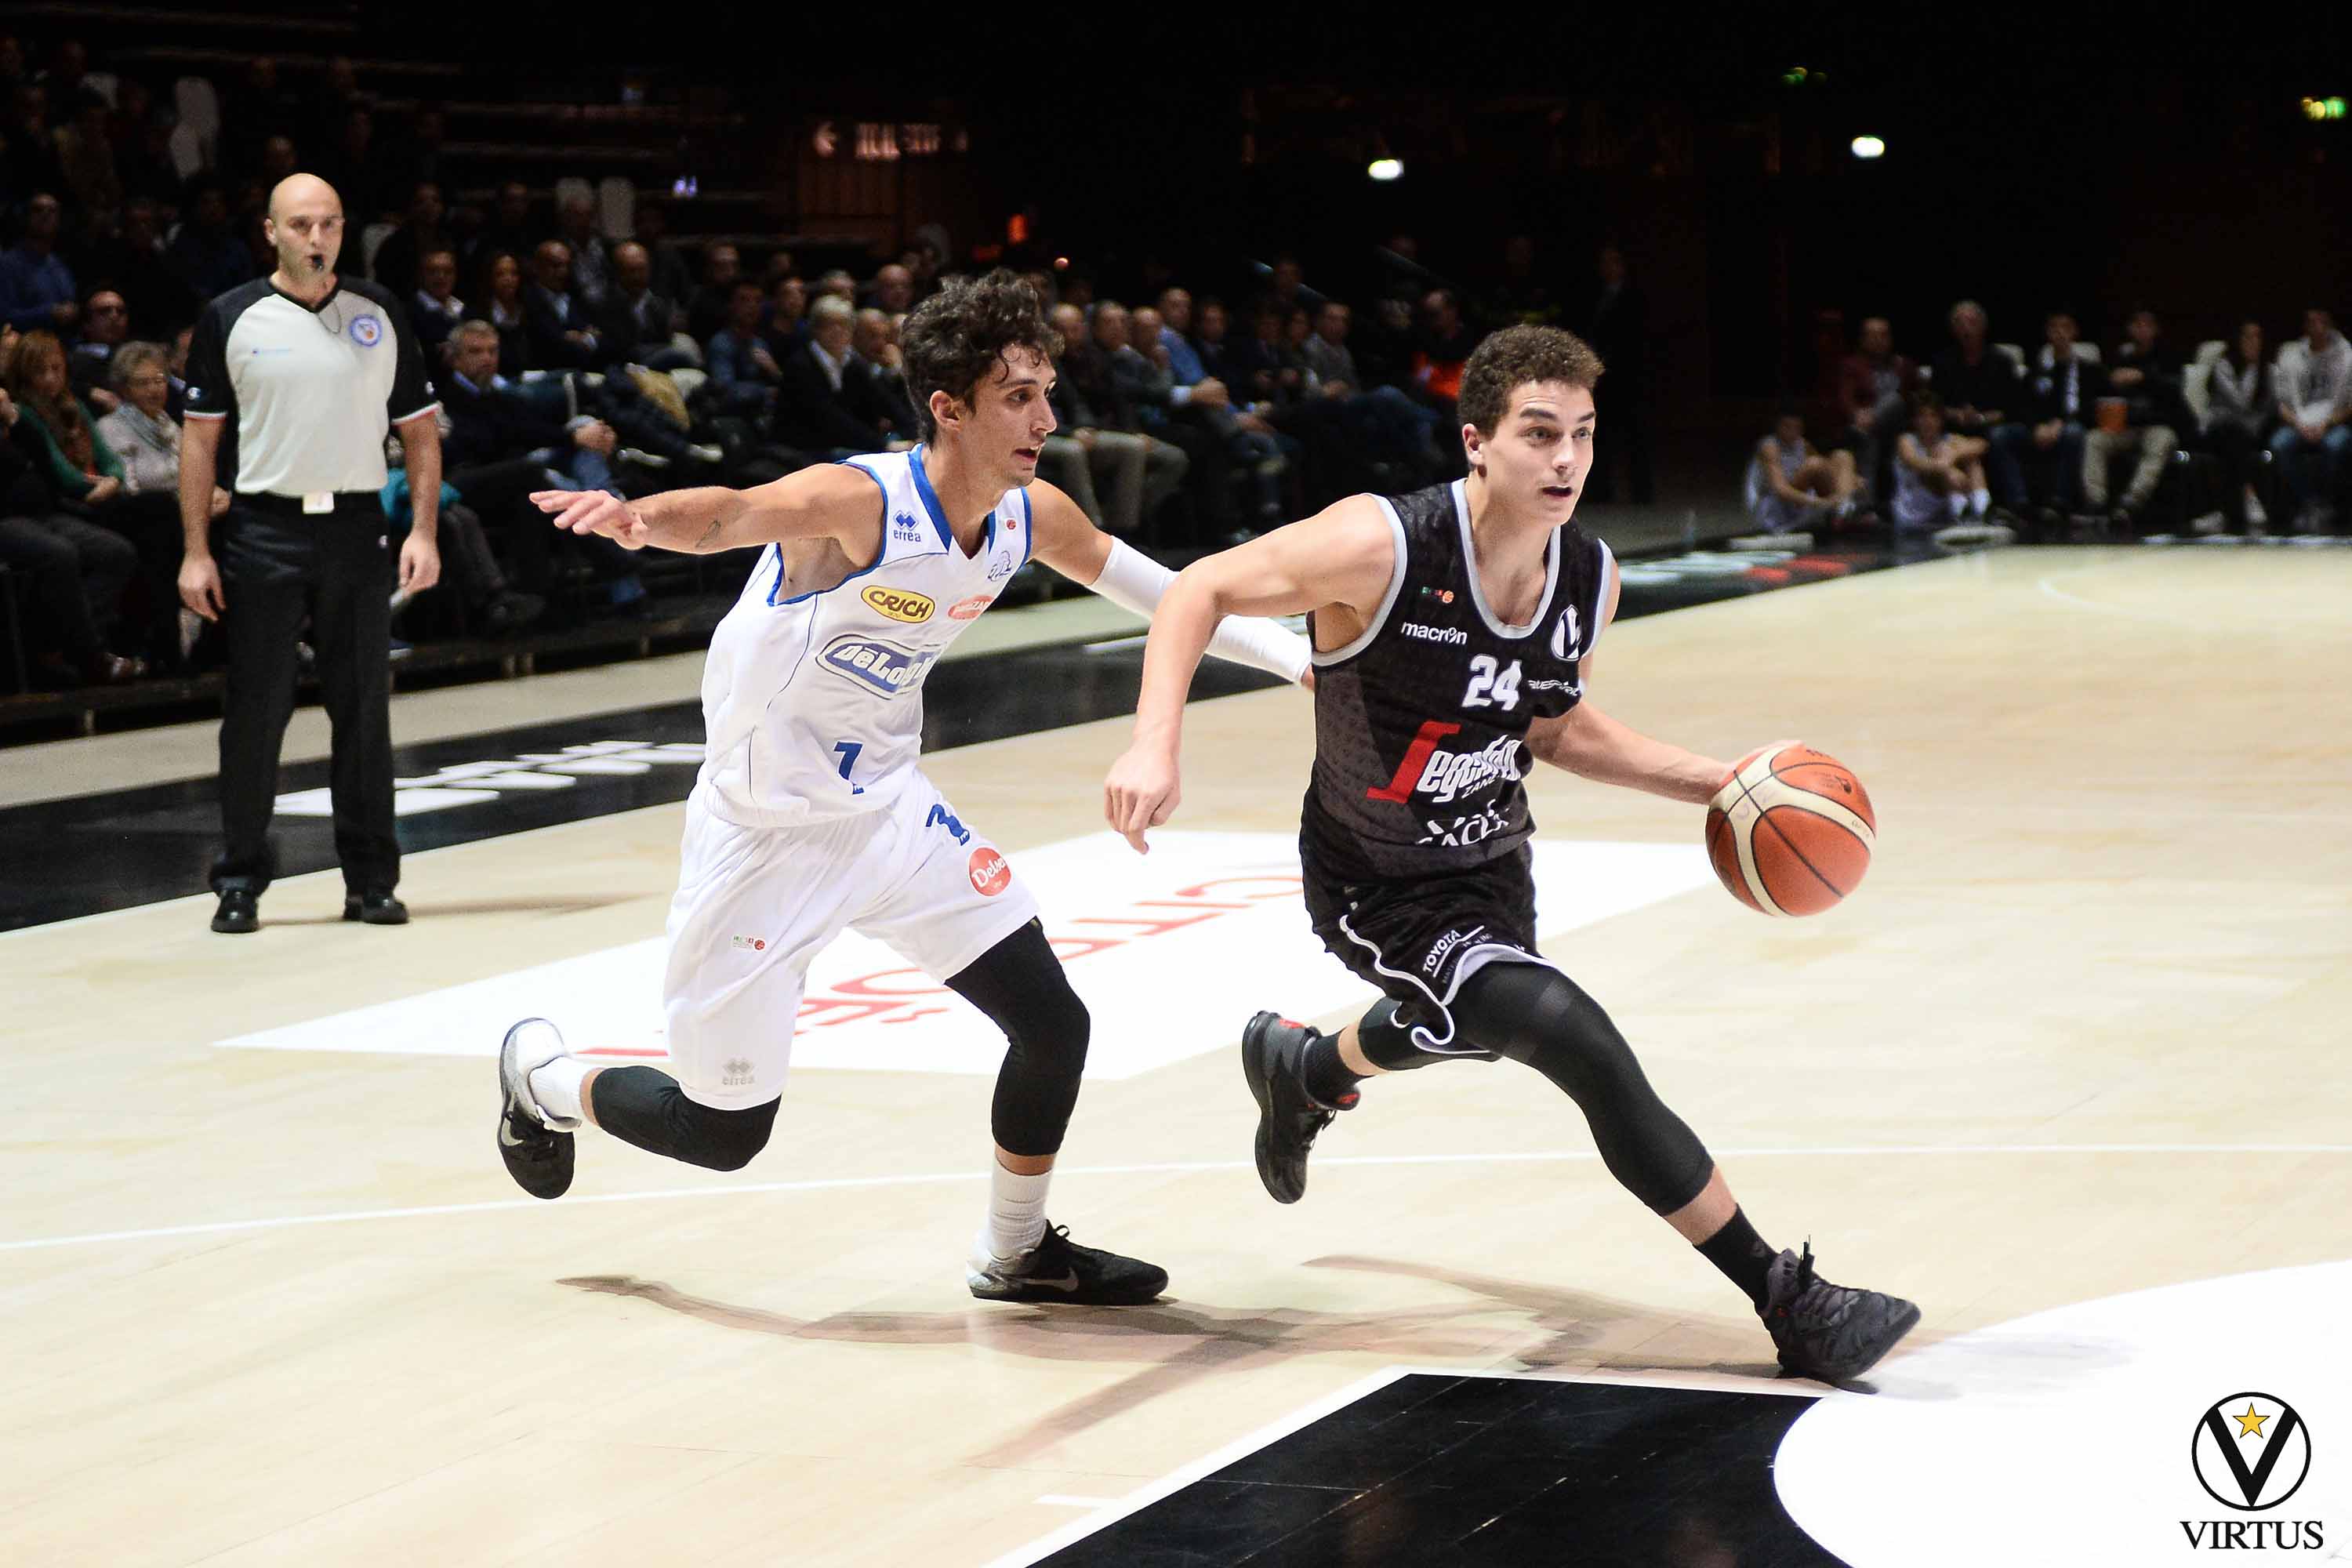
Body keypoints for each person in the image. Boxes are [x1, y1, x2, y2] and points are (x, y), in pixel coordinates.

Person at [1102, 324, 1919, 1386]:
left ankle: (1305, 1068)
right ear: (1477, 440)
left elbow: (1555, 727)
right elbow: (1196, 588)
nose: (1567, 459)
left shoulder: (1590, 578)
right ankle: (1786, 1297)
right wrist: (1153, 739)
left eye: (1582, 433)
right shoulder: (1381, 545)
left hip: (1491, 865)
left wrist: (1722, 783)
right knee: (1571, 1037)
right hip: (1374, 879)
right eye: (1540, 434)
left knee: (1481, 1024)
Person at [500, 270, 1310, 1305]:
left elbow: (1167, 591)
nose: (1044, 418)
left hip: (887, 812)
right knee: (723, 1134)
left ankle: (1016, 1253)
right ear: (950, 407)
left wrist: (1301, 665)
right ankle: (544, 1080)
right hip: (763, 837)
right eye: (1018, 396)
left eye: (1045, 392)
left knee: (1054, 1025)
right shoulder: (862, 502)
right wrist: (634, 518)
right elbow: (735, 513)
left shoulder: (1029, 513)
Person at [178, 173, 443, 935]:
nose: (317, 238)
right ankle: (238, 879)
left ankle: (371, 880)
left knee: (363, 709)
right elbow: (200, 441)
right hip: (264, 528)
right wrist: (196, 550)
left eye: (328, 223)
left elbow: (420, 434)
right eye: (301, 225)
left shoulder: (380, 312)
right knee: (256, 711)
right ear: (271, 231)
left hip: (359, 528)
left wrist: (422, 530)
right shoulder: (230, 316)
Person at [2269, 307, 2350, 533]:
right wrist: (2298, 424)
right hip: (2298, 422)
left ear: (2330, 325)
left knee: (2335, 446)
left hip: (2334, 422)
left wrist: (2328, 423)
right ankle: (2308, 502)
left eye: (2322, 322)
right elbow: (2281, 403)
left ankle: (2327, 502)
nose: (2317, 328)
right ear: (2305, 328)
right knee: (2279, 444)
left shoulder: (2347, 355)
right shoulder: (2290, 355)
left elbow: (2351, 404)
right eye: (2312, 323)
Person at [2202, 319, 2276, 533]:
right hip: (2220, 428)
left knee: (2243, 441)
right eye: (2247, 336)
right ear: (2237, 340)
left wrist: (2258, 367)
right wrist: (2253, 367)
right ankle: (2248, 493)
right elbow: (2240, 402)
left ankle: (2224, 509)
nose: (2253, 342)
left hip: (2250, 431)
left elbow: (2271, 406)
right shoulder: (2223, 366)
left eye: (2257, 337)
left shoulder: (2269, 370)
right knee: (2234, 438)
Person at [1748, 408, 1859, 534]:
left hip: (1800, 499)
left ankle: (1844, 505)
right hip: (1775, 504)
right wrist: (1818, 502)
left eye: (1797, 428)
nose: (1792, 432)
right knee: (1814, 465)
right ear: (1778, 427)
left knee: (1842, 456)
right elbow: (1780, 489)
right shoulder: (1769, 447)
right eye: (1788, 427)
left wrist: (1850, 477)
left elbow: (1826, 468)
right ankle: (1840, 507)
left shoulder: (1802, 443)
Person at [1890, 391, 1988, 531]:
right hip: (1912, 516)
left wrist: (1954, 454)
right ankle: (1961, 515)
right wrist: (1948, 468)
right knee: (1941, 463)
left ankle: (1980, 513)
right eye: (1922, 416)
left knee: (1972, 461)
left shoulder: (1948, 441)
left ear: (1940, 420)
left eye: (1933, 416)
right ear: (1914, 420)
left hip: (1941, 514)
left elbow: (1982, 445)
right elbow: (1913, 462)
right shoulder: (1906, 441)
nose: (1928, 422)